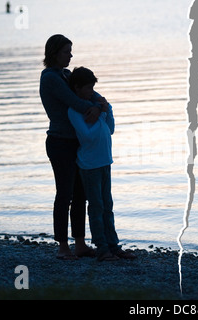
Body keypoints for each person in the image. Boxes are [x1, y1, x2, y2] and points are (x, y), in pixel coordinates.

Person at [39, 34, 101, 260]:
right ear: (54, 53)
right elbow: (74, 101)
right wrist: (95, 108)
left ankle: (80, 243)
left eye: (70, 51)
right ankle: (62, 247)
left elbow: (88, 92)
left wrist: (100, 104)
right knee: (64, 193)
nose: (71, 55)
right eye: (66, 51)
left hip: (76, 142)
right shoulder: (50, 78)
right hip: (59, 142)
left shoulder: (66, 74)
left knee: (80, 193)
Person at [67, 67, 136, 261]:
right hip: (89, 165)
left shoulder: (95, 106)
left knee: (108, 205)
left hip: (105, 161)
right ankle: (102, 248)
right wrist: (100, 114)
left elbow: (110, 129)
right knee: (96, 206)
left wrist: (107, 110)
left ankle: (114, 246)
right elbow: (87, 136)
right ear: (77, 88)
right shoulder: (75, 111)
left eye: (92, 87)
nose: (91, 91)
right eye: (88, 88)